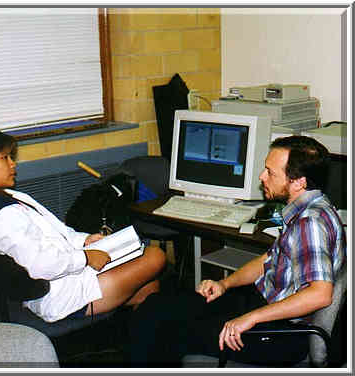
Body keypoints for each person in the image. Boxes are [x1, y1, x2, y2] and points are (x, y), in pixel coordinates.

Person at [126, 135, 346, 366]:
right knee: (155, 308)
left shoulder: (310, 223)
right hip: (263, 305)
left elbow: (320, 294)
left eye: (270, 173)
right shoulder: (307, 207)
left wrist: (249, 319)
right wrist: (225, 284)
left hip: (283, 334)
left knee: (164, 331)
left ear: (298, 182)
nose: (262, 177)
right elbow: (268, 260)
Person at [0, 128, 166, 323]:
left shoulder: (14, 197)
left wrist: (85, 240)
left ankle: (143, 344)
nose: (13, 164)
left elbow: (60, 231)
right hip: (59, 294)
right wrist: (86, 257)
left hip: (71, 271)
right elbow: (41, 266)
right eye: (4, 158)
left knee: (149, 288)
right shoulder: (1, 216)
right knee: (155, 256)